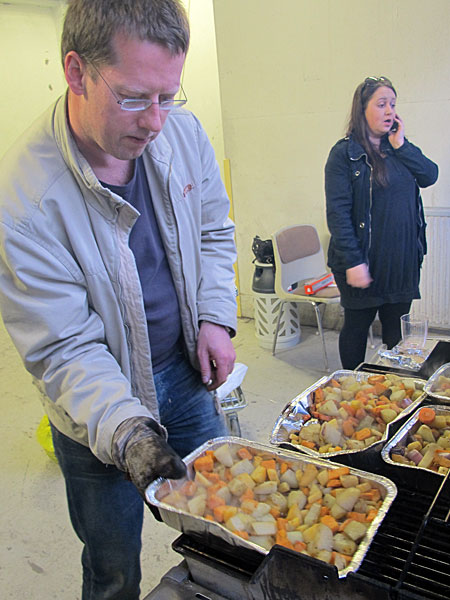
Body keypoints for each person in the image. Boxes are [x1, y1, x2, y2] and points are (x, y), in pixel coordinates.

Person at [0, 0, 237, 597]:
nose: (156, 121)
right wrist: (129, 431)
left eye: (168, 95)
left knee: (224, 531)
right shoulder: (24, 203)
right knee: (112, 567)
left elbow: (213, 229)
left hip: (186, 374)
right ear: (76, 72)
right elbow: (61, 348)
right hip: (97, 410)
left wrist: (213, 318)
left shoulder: (179, 132)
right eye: (134, 97)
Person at [325, 76, 438, 370]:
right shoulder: (343, 155)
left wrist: (402, 145)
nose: (390, 111)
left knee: (396, 334)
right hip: (363, 263)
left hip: (402, 262)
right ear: (362, 109)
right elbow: (338, 214)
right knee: (357, 326)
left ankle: (391, 387)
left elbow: (430, 175)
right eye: (381, 104)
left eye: (393, 104)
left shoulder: (398, 149)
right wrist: (353, 262)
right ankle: (352, 383)